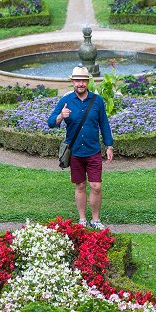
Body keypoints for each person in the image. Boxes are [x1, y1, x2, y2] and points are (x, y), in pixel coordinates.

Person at [48, 66, 114, 230]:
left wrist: (109, 145)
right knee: (80, 186)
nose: (81, 84)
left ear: (88, 82)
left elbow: (104, 124)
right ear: (72, 82)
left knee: (96, 186)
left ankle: (96, 220)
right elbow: (50, 122)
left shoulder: (97, 101)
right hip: (75, 152)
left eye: (83, 80)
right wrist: (60, 116)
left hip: (93, 151)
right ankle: (82, 219)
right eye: (77, 80)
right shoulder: (66, 101)